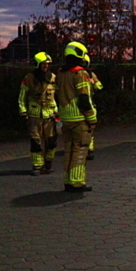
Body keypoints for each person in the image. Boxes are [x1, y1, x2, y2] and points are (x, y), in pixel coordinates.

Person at [55, 41, 96, 192]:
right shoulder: (80, 73)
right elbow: (84, 98)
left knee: (69, 149)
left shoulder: (60, 72)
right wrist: (91, 118)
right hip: (79, 118)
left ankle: (67, 181)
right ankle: (77, 182)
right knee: (80, 149)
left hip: (65, 118)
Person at [18, 51, 58, 175]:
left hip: (50, 115)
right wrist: (23, 111)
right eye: (43, 64)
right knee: (36, 142)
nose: (46, 66)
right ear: (37, 64)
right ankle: (37, 166)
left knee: (51, 142)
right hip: (34, 115)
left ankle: (48, 163)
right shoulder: (29, 78)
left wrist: (58, 111)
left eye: (47, 64)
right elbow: (22, 95)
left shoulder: (53, 77)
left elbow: (59, 94)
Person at [82, 53, 103, 160]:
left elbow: (99, 86)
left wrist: (93, 82)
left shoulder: (91, 75)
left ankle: (89, 149)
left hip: (89, 104)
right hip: (86, 104)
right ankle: (87, 149)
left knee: (90, 129)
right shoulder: (82, 75)